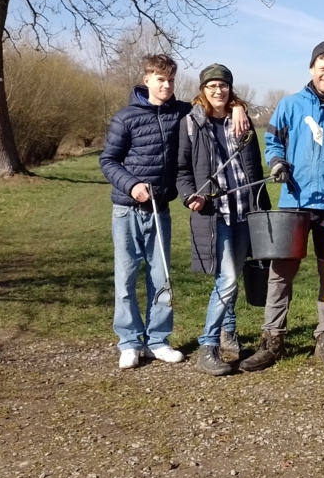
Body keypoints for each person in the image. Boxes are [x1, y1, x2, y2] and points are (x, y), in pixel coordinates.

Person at [242, 41, 324, 372]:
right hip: (294, 203)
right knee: (280, 273)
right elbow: (272, 141)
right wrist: (277, 162)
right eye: (323, 68)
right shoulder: (291, 105)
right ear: (312, 69)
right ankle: (272, 339)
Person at [99, 54, 191, 370]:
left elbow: (212, 108)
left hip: (160, 210)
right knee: (126, 279)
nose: (166, 85)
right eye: (160, 79)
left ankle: (158, 341)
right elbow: (108, 161)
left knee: (161, 276)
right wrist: (132, 185)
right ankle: (129, 343)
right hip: (126, 211)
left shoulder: (183, 113)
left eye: (170, 80)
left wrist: (236, 107)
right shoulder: (125, 117)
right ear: (147, 79)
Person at [177, 63, 269, 376]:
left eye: (224, 85)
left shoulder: (240, 121)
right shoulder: (191, 123)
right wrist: (190, 194)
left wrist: (263, 213)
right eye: (212, 85)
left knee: (234, 277)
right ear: (203, 89)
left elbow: (255, 169)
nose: (218, 91)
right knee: (227, 279)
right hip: (215, 214)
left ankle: (229, 333)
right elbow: (181, 170)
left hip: (245, 210)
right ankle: (208, 346)